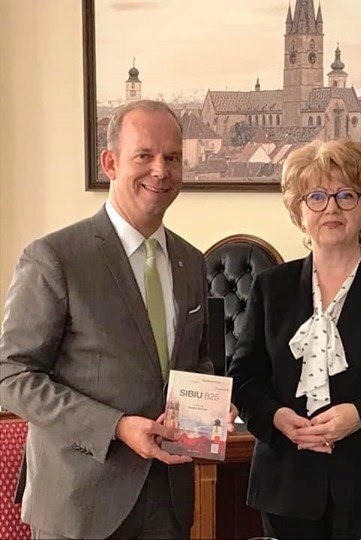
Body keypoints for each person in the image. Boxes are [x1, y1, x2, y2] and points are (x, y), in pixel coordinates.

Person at [0, 100, 235, 539]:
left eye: (173, 158)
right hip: (80, 503)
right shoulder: (55, 257)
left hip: (168, 500)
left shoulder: (190, 261)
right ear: (109, 162)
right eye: (143, 156)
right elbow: (11, 375)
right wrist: (116, 427)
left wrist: (210, 406)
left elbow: (194, 362)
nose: (160, 170)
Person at [228, 139, 361, 539]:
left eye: (347, 195)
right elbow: (243, 377)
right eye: (316, 196)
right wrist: (276, 419)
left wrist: (360, 416)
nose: (331, 207)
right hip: (286, 488)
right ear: (299, 210)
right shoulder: (269, 287)